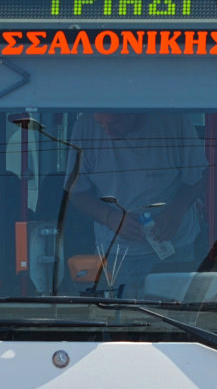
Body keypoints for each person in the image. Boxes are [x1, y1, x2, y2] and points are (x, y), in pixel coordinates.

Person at [69, 111, 206, 294]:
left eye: (114, 124)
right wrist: (109, 217)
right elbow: (76, 193)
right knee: (114, 319)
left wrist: (176, 210)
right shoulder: (86, 125)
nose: (108, 132)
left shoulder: (173, 120)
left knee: (175, 318)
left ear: (134, 113)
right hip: (113, 253)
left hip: (173, 250)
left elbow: (199, 177)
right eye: (101, 126)